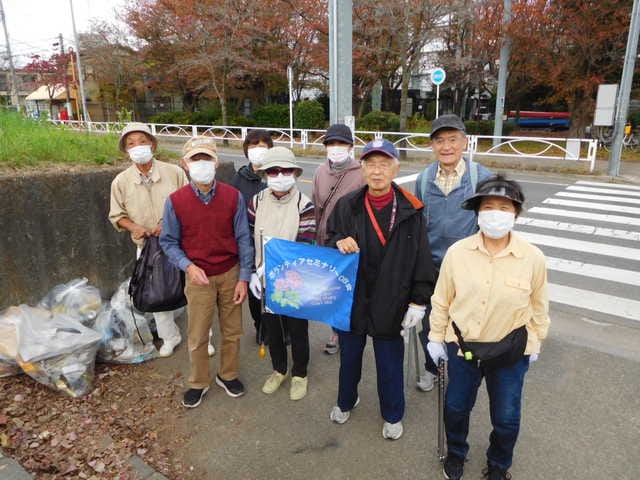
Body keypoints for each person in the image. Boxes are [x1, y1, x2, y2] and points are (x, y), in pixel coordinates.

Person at [426, 174, 550, 480]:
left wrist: (534, 343)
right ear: (478, 212)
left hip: (510, 352)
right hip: (462, 348)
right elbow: (441, 299)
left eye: (505, 207)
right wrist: (435, 338)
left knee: (507, 418)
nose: (496, 213)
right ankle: (456, 453)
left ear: (516, 213)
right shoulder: (458, 253)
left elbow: (539, 307)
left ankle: (499, 464)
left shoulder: (532, 257)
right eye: (489, 206)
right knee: (455, 409)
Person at [326, 139, 436, 440]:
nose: (377, 171)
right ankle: (346, 400)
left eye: (384, 164)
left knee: (390, 363)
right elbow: (329, 238)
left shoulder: (411, 210)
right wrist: (337, 242)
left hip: (393, 298)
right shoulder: (347, 205)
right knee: (349, 357)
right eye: (371, 164)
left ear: (395, 168)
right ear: (362, 168)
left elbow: (421, 258)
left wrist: (418, 302)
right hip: (353, 298)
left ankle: (393, 414)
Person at [159, 136, 254, 408]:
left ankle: (228, 374)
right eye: (195, 159)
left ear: (216, 162)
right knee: (198, 334)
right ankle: (199, 381)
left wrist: (244, 277)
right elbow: (168, 241)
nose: (202, 164)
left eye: (207, 159)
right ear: (184, 164)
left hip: (230, 272)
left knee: (232, 330)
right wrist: (188, 266)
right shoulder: (175, 201)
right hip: (197, 276)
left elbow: (242, 237)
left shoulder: (232, 196)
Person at [414, 114, 492, 392]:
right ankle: (431, 368)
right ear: (432, 146)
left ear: (464, 142)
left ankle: (461, 371)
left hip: (469, 270)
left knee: (464, 326)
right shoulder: (424, 180)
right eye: (439, 141)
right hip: (433, 269)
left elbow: (492, 224)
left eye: (452, 139)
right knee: (430, 323)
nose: (446, 146)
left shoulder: (481, 177)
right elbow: (419, 226)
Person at [109, 122, 188, 357]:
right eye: (131, 143)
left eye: (142, 141)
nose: (138, 147)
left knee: (193, 290)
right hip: (147, 247)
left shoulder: (174, 172)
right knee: (156, 293)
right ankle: (169, 337)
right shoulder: (121, 181)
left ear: (152, 144)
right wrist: (134, 227)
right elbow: (117, 215)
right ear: (125, 150)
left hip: (181, 244)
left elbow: (189, 202)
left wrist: (168, 223)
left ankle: (203, 338)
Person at [247, 146, 315, 401]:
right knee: (272, 328)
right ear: (265, 174)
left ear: (295, 173)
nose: (279, 175)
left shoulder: (304, 204)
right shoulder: (256, 201)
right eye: (273, 170)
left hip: (293, 280)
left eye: (285, 170)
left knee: (298, 329)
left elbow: (305, 244)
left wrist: (279, 269)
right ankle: (279, 369)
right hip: (263, 280)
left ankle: (300, 373)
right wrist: (254, 272)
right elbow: (249, 237)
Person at [312, 124, 365, 355]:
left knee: (349, 289)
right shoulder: (319, 172)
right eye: (331, 144)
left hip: (349, 243)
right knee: (331, 290)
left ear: (351, 147)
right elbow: (316, 205)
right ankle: (336, 331)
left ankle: (349, 333)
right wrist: (315, 237)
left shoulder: (361, 173)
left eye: (341, 144)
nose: (335, 148)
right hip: (325, 241)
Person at [231, 129, 273, 345]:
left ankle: (278, 327)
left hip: (275, 243)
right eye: (254, 145)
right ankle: (260, 326)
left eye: (263, 145)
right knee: (255, 290)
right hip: (249, 243)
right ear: (246, 150)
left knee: (277, 288)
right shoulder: (238, 179)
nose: (258, 149)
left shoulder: (277, 174)